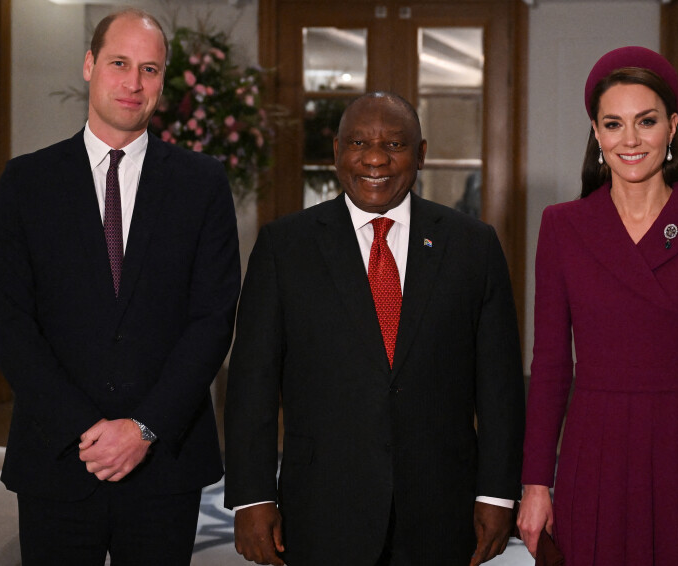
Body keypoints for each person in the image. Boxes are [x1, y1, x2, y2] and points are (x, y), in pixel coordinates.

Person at [0, 8, 241, 564]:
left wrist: (144, 428)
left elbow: (212, 319)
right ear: (89, 65)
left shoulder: (203, 185)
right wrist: (87, 430)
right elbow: (9, 323)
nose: (133, 83)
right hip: (57, 456)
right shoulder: (26, 183)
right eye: (120, 63)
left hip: (166, 460)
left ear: (163, 82)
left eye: (150, 69)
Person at [224, 92, 525, 566]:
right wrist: (251, 496)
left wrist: (497, 494)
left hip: (440, 508)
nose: (375, 158)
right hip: (322, 508)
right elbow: (252, 382)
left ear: (421, 153)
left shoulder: (473, 246)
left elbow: (500, 386)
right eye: (359, 142)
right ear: (338, 152)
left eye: (395, 144)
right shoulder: (285, 246)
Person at [517, 46, 678, 566]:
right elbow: (551, 367)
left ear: (672, 127)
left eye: (645, 121)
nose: (630, 140)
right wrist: (536, 483)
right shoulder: (563, 227)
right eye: (613, 124)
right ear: (596, 133)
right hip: (593, 446)